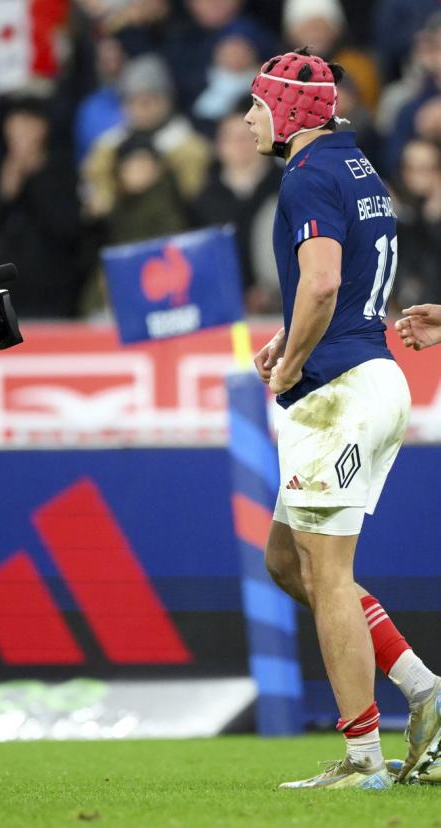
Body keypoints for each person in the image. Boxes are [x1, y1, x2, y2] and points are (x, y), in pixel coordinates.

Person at [245, 47, 441, 790]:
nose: (247, 118)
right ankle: (423, 688)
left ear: (290, 111)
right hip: (368, 375)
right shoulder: (358, 168)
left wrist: (292, 361)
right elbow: (346, 285)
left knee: (328, 576)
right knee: (287, 562)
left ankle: (364, 760)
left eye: (257, 104)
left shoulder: (307, 174)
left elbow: (321, 283)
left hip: (341, 394)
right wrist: (289, 341)